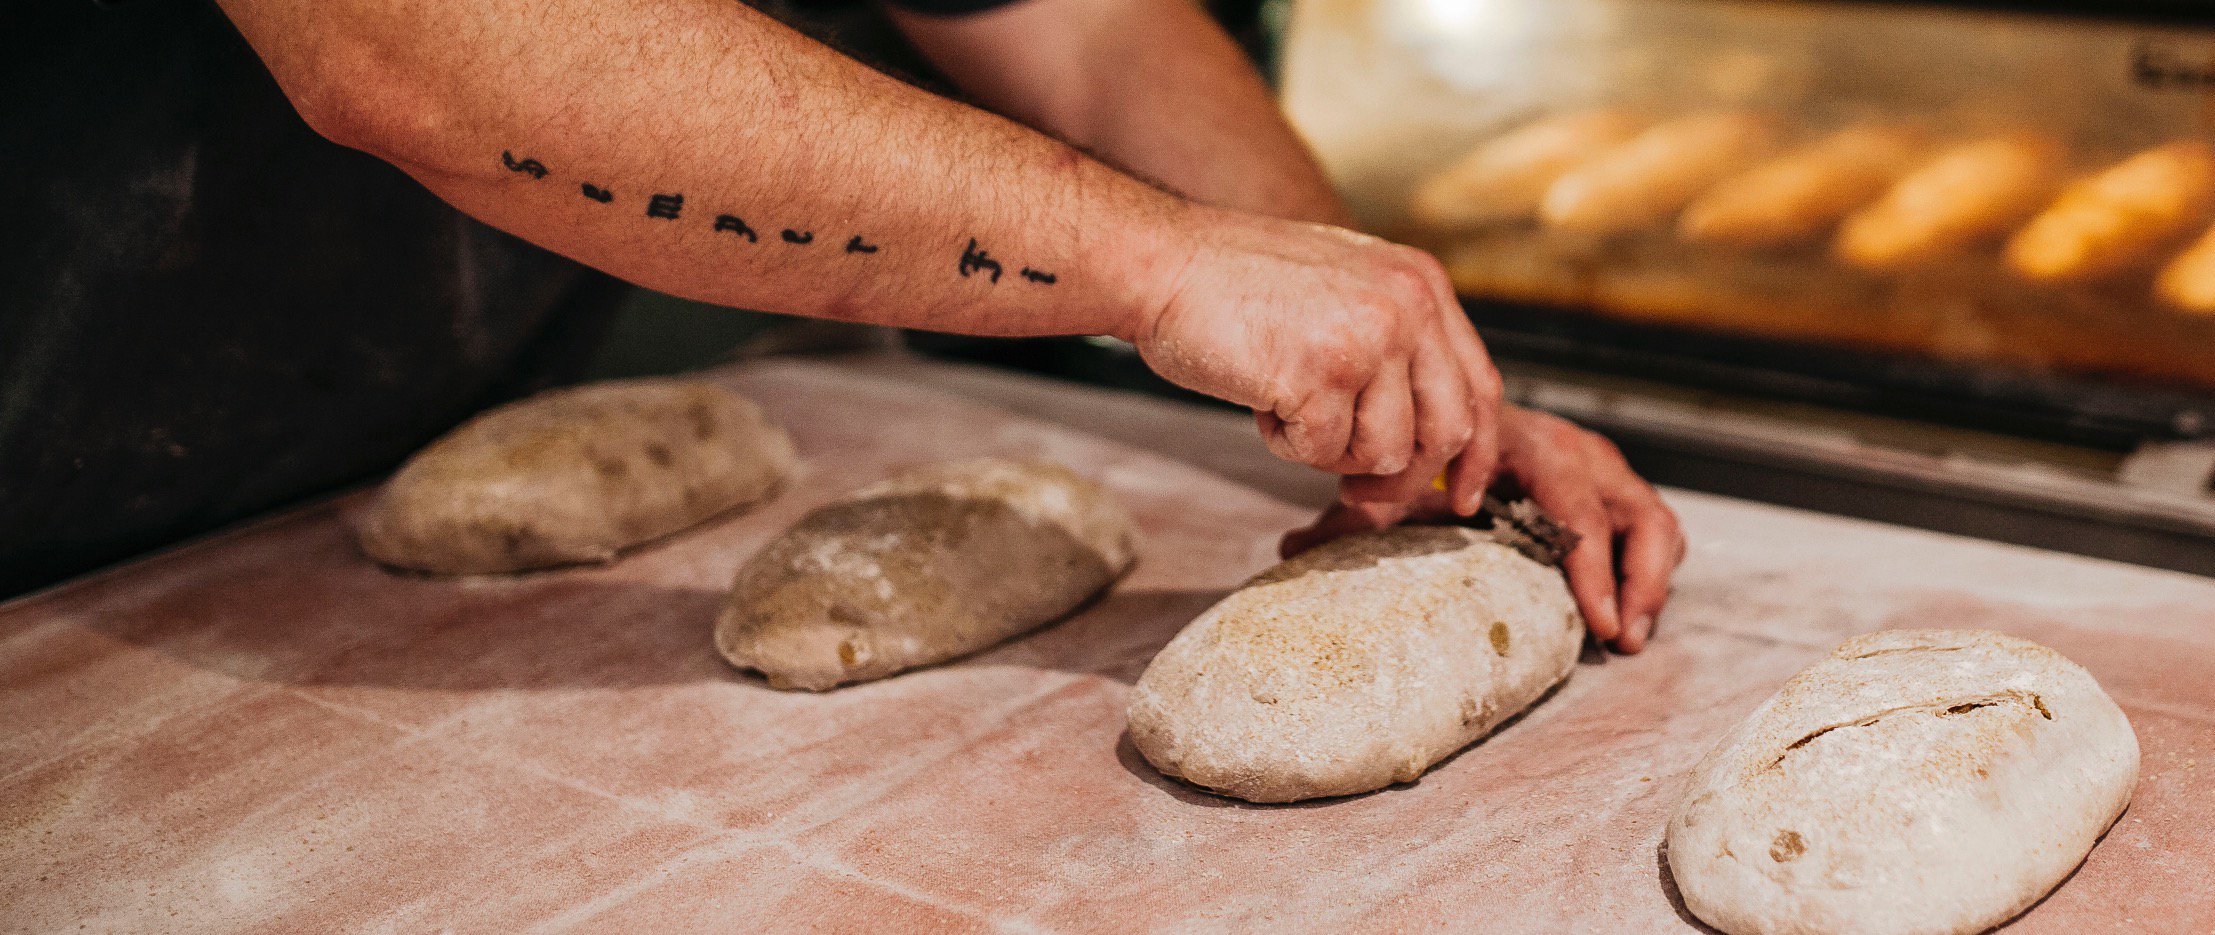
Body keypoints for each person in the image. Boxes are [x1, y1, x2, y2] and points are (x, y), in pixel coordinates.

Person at [3, 0, 1682, 650]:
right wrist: (1172, 268)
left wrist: (1363, 324)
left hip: (349, 487)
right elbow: (421, 45)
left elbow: (1071, 26)